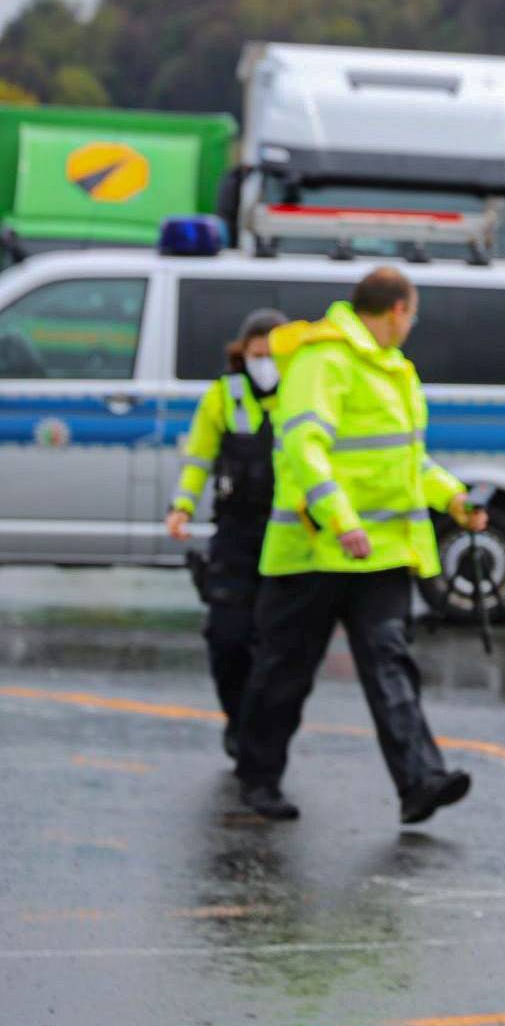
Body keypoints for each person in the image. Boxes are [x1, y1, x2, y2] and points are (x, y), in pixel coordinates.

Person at [232, 266, 486, 824]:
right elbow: (304, 447)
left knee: (391, 665)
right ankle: (257, 778)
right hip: (313, 550)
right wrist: (341, 520)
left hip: (380, 553)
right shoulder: (324, 359)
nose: (411, 324)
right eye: (412, 314)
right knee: (284, 672)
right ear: (397, 310)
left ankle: (420, 781)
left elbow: (404, 462)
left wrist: (453, 499)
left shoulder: (392, 369)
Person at [166, 307, 288, 758]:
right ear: (243, 353)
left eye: (273, 355)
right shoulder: (223, 396)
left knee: (276, 647)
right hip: (236, 534)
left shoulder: (303, 395)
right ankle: (238, 720)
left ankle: (260, 736)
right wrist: (181, 507)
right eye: (258, 354)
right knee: (227, 637)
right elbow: (198, 459)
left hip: (288, 535)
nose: (266, 364)